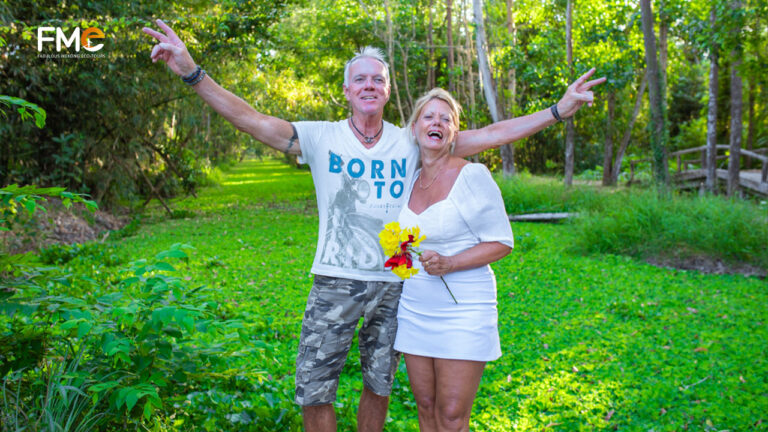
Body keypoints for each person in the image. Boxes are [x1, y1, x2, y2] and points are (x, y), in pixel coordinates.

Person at [142, 18, 605, 432]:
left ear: (387, 91)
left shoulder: (412, 140)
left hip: (396, 284)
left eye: (377, 80)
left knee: (379, 385)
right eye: (359, 79)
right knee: (316, 388)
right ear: (346, 91)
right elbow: (252, 121)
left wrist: (558, 111)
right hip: (335, 281)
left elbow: (492, 134)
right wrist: (191, 72)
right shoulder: (322, 137)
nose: (368, 85)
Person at [394, 88, 514, 431]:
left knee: (450, 415)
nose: (437, 122)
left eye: (445, 119)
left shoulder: (471, 176)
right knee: (426, 406)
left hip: (463, 308)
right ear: (415, 128)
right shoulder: (408, 180)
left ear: (454, 134)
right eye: (429, 117)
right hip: (416, 309)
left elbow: (502, 242)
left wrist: (451, 262)